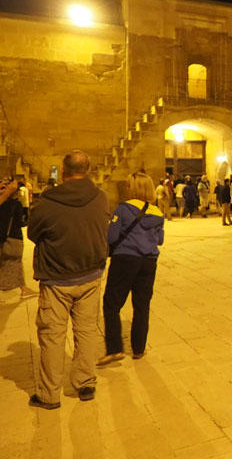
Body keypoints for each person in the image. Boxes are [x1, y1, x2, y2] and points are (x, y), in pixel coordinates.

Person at [27, 151, 109, 409]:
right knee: (86, 332)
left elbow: (33, 232)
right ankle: (85, 383)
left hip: (57, 278)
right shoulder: (100, 197)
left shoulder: (47, 202)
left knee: (52, 335)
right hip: (91, 275)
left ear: (63, 171)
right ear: (89, 170)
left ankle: (49, 394)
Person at [98, 170, 164, 366]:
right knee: (142, 305)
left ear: (133, 188)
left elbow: (111, 237)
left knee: (112, 303)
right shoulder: (157, 212)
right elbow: (160, 240)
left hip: (126, 258)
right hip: (149, 260)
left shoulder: (123, 208)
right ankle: (138, 348)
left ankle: (115, 348)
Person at [0, 178, 37, 299]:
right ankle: (23, 288)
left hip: (6, 238)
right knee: (15, 263)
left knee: (12, 264)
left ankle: (23, 288)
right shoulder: (15, 204)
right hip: (13, 238)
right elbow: (21, 222)